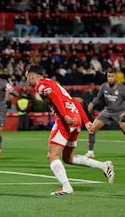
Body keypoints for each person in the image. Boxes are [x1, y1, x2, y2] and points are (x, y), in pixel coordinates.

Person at [26, 65, 114, 196]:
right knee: (68, 158)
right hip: (76, 118)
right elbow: (74, 101)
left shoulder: (40, 85)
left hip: (65, 120)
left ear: (33, 76)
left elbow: (54, 97)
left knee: (52, 156)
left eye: (27, 78)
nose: (27, 81)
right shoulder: (54, 83)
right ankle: (103, 166)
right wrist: (86, 121)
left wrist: (65, 116)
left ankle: (66, 187)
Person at [85, 69, 125, 158]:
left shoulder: (122, 88)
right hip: (107, 112)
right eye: (108, 76)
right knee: (92, 128)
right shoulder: (104, 86)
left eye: (112, 76)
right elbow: (98, 98)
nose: (110, 78)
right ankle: (90, 152)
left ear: (116, 77)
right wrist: (92, 103)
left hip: (120, 113)